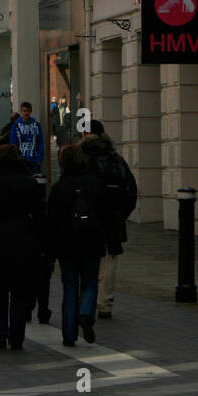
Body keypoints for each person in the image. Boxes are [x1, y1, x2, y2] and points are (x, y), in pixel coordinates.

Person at [47, 143, 121, 347]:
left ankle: (69, 335)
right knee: (90, 283)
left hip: (67, 245)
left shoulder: (59, 188)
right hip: (91, 241)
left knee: (70, 287)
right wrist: (113, 242)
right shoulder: (94, 184)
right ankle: (86, 313)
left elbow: (51, 222)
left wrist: (49, 252)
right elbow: (108, 216)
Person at [0, 144, 44, 351]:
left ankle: (0, 334)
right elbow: (40, 215)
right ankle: (16, 337)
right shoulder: (28, 182)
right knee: (19, 291)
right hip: (23, 240)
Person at [81, 119, 137, 317]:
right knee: (109, 261)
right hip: (113, 220)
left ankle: (86, 303)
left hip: (87, 220)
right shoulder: (116, 159)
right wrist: (121, 214)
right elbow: (131, 190)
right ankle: (104, 304)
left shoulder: (81, 159)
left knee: (87, 262)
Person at [9, 101, 45, 175]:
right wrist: (14, 158)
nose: (26, 113)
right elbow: (13, 143)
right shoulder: (16, 126)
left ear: (31, 111)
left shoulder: (36, 125)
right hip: (20, 160)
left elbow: (40, 142)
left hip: (34, 160)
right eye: (24, 111)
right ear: (21, 112)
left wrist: (39, 158)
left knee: (34, 180)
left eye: (28, 111)